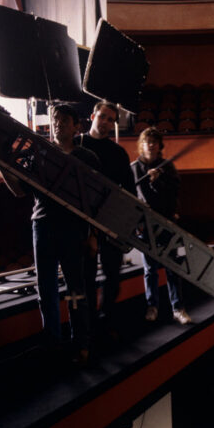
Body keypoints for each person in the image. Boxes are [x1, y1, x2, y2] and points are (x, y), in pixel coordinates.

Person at [3, 103, 99, 363]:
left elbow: (96, 202)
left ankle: (81, 344)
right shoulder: (40, 153)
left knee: (76, 290)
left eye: (65, 120)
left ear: (76, 126)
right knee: (46, 291)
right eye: (55, 120)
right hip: (42, 225)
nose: (58, 124)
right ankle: (53, 345)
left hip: (73, 228)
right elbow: (19, 190)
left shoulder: (87, 158)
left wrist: (93, 235)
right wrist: (1, 162)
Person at [78, 101, 137, 335]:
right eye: (102, 116)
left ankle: (106, 318)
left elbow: (130, 192)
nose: (105, 122)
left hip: (110, 219)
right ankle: (90, 323)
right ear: (93, 115)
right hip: (83, 220)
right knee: (87, 276)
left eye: (111, 119)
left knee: (113, 275)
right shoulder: (77, 144)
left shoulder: (119, 153)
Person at [130, 127, 192, 325]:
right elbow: (130, 197)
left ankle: (178, 309)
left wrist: (158, 182)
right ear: (142, 144)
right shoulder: (133, 168)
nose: (151, 145)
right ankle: (152, 307)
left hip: (166, 223)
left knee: (174, 267)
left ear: (159, 146)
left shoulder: (168, 167)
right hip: (145, 226)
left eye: (154, 142)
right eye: (147, 141)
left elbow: (173, 194)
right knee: (150, 270)